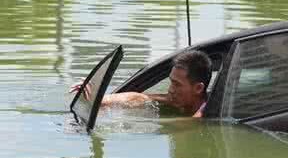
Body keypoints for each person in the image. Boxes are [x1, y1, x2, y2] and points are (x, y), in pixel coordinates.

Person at [70, 50, 212, 118]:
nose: (171, 90)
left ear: (198, 88)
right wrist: (100, 98)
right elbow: (139, 97)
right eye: (171, 82)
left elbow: (187, 125)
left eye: (177, 85)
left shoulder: (206, 112)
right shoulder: (178, 100)